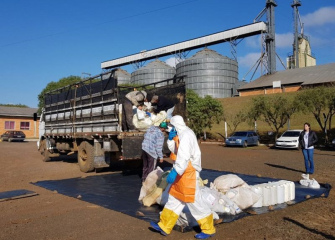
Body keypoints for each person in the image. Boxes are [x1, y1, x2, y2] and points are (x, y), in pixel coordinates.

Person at [150, 115, 215, 239]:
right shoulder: (181, 134)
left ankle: (208, 229)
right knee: (174, 199)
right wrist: (170, 139)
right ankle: (164, 225)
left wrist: (175, 171)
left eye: (171, 126)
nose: (170, 129)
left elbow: (184, 156)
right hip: (182, 173)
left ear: (176, 125)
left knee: (195, 202)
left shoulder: (186, 135)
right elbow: (176, 151)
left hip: (188, 173)